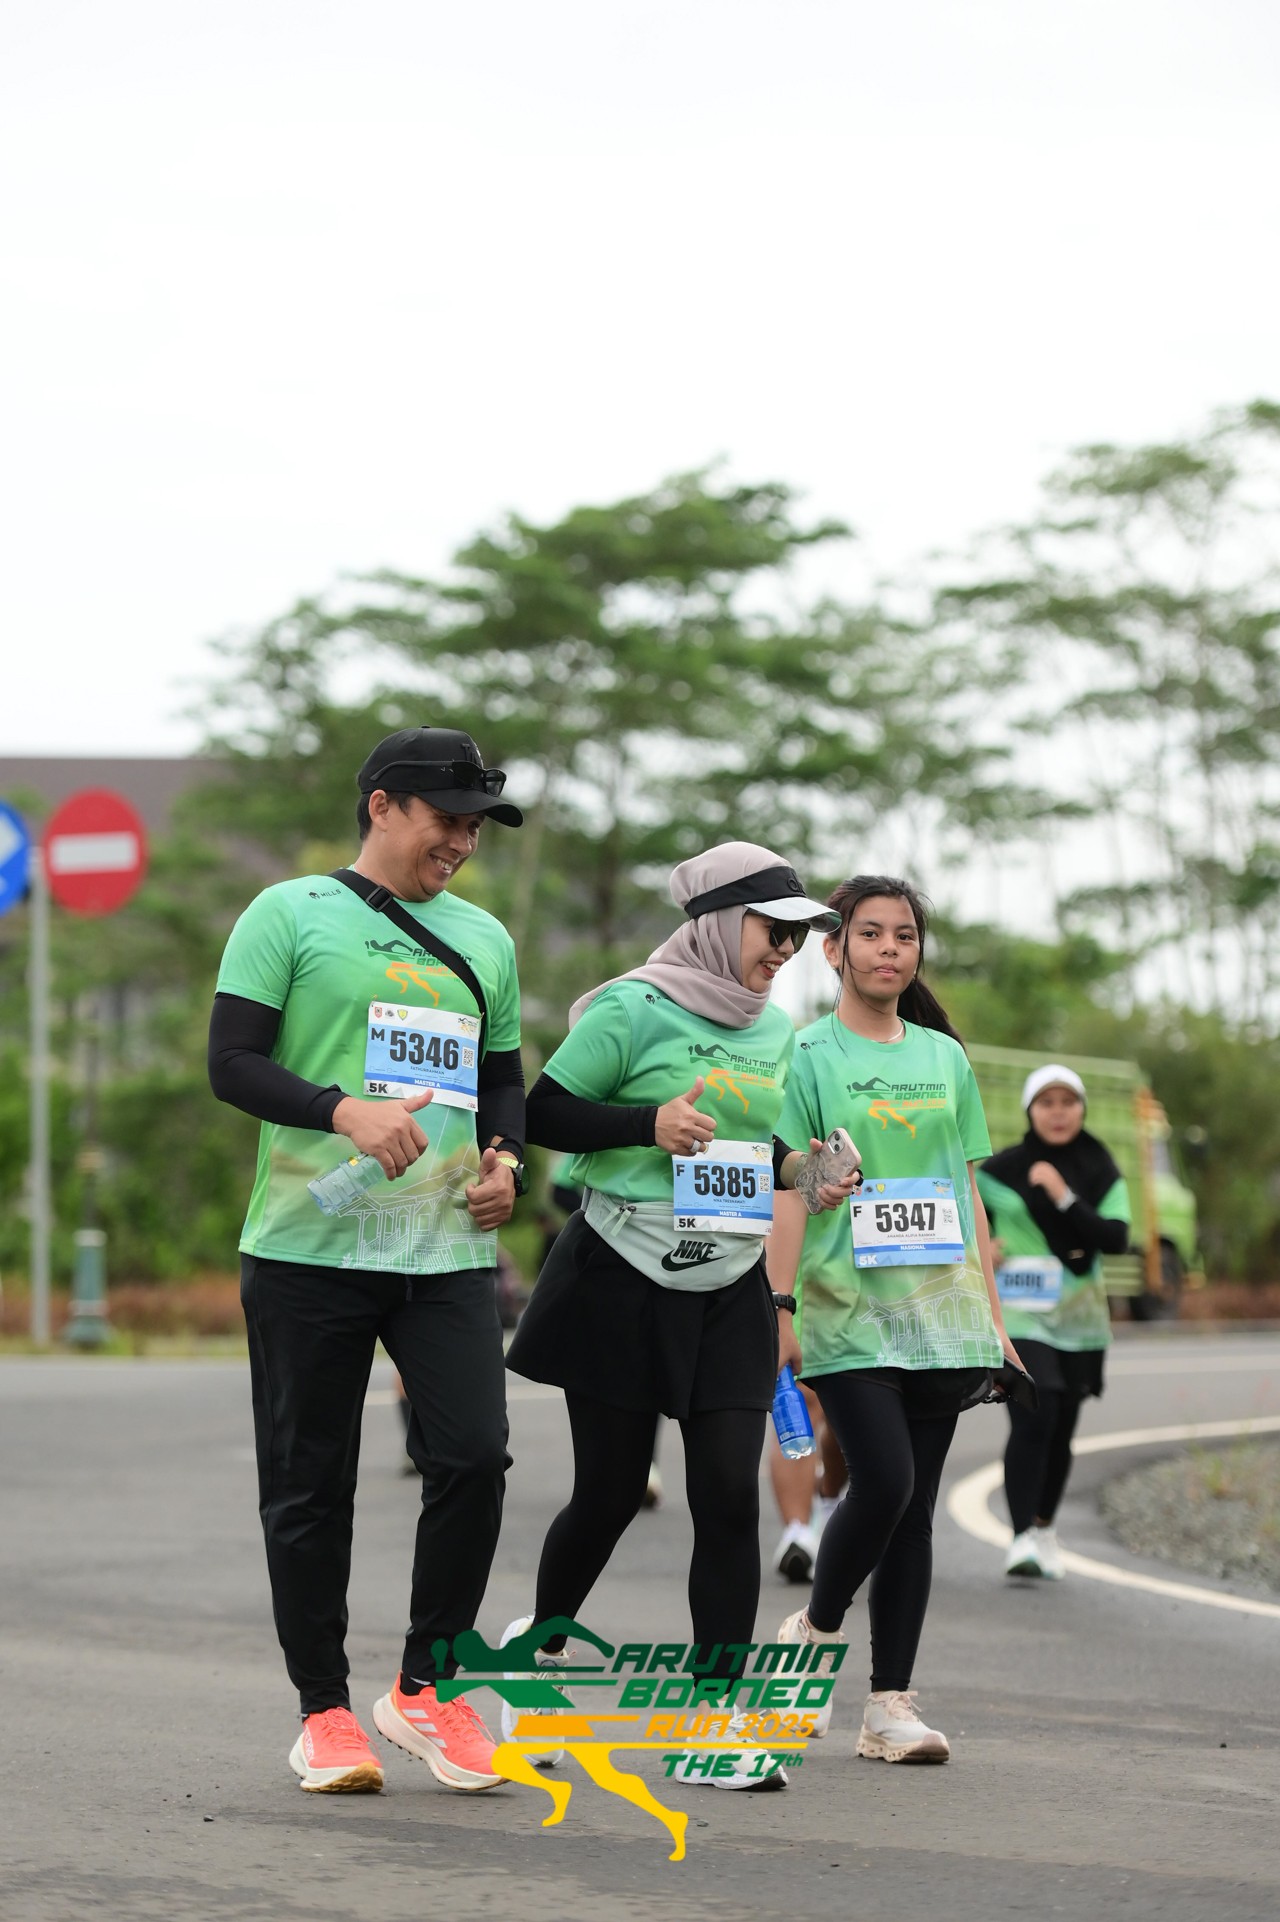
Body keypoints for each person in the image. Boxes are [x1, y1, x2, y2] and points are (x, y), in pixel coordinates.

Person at [208, 725, 526, 1795]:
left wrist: (506, 1159)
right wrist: (339, 1107)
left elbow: (502, 1080)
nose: (462, 842)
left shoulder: (484, 938)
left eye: (476, 826)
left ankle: (426, 1689)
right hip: (307, 1247)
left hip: (443, 1248)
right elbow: (231, 1061)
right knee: (311, 1484)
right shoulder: (288, 913)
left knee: (474, 1457)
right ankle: (325, 1712)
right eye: (448, 818)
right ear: (383, 805)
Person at [504, 842, 859, 1791]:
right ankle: (537, 1657)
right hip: (620, 1273)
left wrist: (807, 1171)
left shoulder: (773, 1030)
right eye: (772, 929)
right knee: (611, 1495)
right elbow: (542, 1112)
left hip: (729, 1283)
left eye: (798, 937)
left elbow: (754, 1144)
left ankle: (712, 1719)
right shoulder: (632, 1008)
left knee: (727, 1501)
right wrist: (646, 1125)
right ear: (717, 922)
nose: (785, 950)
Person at [766, 874, 1023, 1764]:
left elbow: (966, 1191)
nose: (888, 949)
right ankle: (813, 1631)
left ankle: (889, 1706)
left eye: (904, 935)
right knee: (884, 1482)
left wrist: (994, 1319)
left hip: (940, 1312)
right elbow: (789, 1189)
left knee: (911, 1512)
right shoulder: (804, 1055)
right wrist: (781, 1303)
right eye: (870, 933)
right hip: (846, 1308)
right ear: (834, 948)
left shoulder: (945, 1059)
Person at [977, 1064, 1130, 1580]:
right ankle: (1021, 1536)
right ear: (1030, 1110)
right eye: (1047, 1103)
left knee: (1062, 1425)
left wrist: (1064, 1196)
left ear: (1082, 1109)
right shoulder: (998, 1171)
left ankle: (1044, 1526)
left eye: (1068, 1102)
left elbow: (1116, 1238)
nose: (1058, 1113)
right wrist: (983, 1248)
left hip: (1080, 1318)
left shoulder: (1100, 1168)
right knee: (1034, 1412)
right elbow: (968, 1219)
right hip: (1021, 1315)